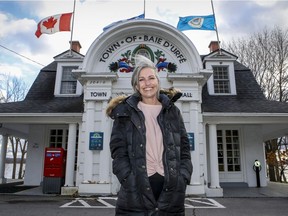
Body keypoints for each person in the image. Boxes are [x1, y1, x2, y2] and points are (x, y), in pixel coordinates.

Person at [106, 55, 193, 216]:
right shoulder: (124, 113)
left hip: (171, 190)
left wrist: (183, 178)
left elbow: (185, 149)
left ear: (158, 82)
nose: (147, 83)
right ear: (136, 86)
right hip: (135, 191)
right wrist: (129, 180)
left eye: (151, 78)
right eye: (142, 79)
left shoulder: (173, 111)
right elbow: (118, 153)